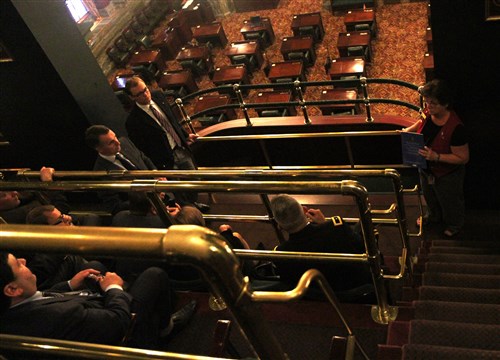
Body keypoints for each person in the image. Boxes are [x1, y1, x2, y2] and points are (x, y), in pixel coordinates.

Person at [0, 252, 196, 350]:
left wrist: (69, 284)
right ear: (12, 289)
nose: (24, 261)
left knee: (93, 266)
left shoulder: (12, 307)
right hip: (120, 329)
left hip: (82, 309)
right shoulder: (55, 316)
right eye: (18, 265)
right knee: (155, 275)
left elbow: (39, 297)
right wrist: (113, 288)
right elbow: (117, 321)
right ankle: (165, 331)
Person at [124, 76, 209, 212]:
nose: (145, 94)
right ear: (132, 97)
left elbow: (171, 120)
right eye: (139, 94)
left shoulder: (158, 96)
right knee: (178, 189)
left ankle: (193, 204)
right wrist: (155, 170)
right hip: (164, 160)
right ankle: (189, 211)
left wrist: (185, 135)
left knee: (194, 179)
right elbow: (142, 149)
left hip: (180, 148)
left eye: (145, 90)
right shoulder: (133, 121)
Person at [270, 194, 373, 298]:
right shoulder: (337, 227)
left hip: (317, 301)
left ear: (279, 226)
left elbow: (289, 281)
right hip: (357, 290)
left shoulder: (280, 254)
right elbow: (363, 248)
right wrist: (325, 224)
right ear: (305, 210)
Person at [403, 79, 469, 237]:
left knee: (450, 202)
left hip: (446, 175)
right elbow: (422, 121)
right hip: (425, 169)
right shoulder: (428, 113)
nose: (428, 106)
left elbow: (463, 158)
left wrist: (436, 156)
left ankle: (454, 225)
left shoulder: (456, 128)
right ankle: (433, 217)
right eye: (427, 102)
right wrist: (408, 130)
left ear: (445, 104)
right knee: (430, 197)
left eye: (433, 103)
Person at [85, 125, 161, 215]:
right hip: (146, 212)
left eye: (115, 136)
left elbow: (143, 158)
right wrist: (148, 200)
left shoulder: (125, 142)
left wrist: (157, 174)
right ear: (99, 148)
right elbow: (114, 206)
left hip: (163, 191)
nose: (118, 142)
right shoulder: (100, 173)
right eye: (111, 143)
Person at [0, 167, 70, 224]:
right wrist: (47, 182)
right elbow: (61, 209)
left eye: (10, 189)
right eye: (4, 195)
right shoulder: (14, 216)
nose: (15, 193)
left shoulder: (19, 202)